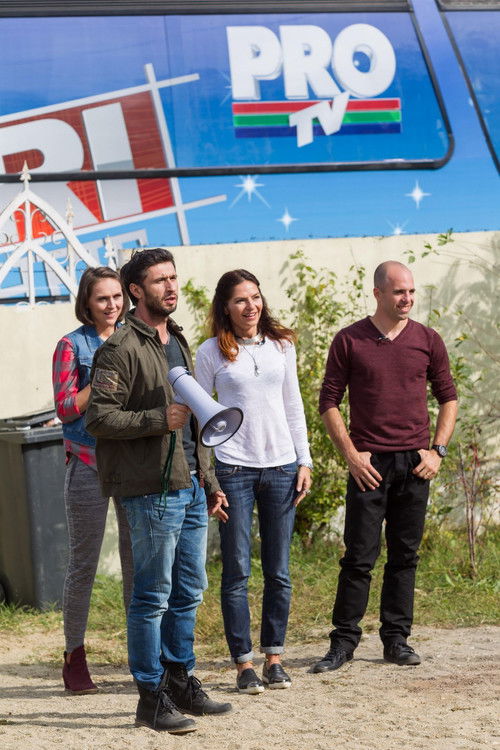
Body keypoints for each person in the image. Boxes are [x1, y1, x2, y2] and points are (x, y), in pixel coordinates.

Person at [85, 248, 231, 735]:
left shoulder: (179, 340)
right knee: (152, 597)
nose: (171, 287)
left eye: (173, 278)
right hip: (150, 489)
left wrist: (209, 481)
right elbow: (98, 418)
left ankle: (179, 681)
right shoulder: (119, 348)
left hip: (189, 486)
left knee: (189, 590)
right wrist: (155, 418)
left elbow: (195, 423)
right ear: (135, 290)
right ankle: (150, 697)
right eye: (159, 280)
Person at [312, 260, 458, 673]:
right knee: (358, 557)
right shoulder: (349, 340)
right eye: (399, 292)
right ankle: (343, 644)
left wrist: (437, 451)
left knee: (404, 556)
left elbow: (448, 397)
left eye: (411, 291)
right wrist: (351, 455)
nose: (407, 298)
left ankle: (396, 640)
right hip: (369, 465)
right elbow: (329, 401)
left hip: (415, 464)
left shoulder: (428, 339)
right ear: (378, 293)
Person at [195, 269, 312, 695]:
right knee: (237, 570)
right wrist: (209, 479)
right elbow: (199, 418)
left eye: (256, 297)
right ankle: (244, 664)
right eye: (241, 300)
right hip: (234, 469)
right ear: (225, 307)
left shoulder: (282, 345)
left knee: (279, 571)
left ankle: (274, 658)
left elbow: (294, 405)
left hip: (282, 468)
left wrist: (304, 460)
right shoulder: (210, 351)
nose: (251, 306)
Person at [52, 266, 134, 694]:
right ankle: (74, 655)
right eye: (103, 298)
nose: (112, 305)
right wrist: (100, 375)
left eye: (117, 297)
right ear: (87, 302)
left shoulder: (134, 338)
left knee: (136, 562)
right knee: (83, 564)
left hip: (131, 463)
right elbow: (65, 408)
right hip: (87, 461)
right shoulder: (71, 345)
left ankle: (142, 653)